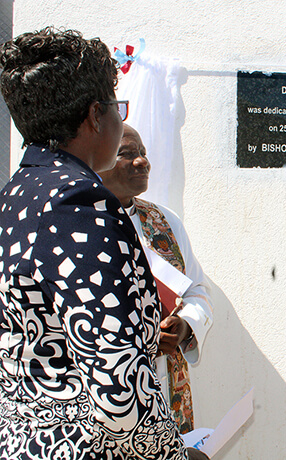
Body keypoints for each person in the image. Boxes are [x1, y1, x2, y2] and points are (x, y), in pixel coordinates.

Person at [0, 27, 206, 459]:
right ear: (97, 115)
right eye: (117, 107)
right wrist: (175, 455)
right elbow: (117, 385)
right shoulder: (80, 202)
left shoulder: (17, 194)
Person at [100, 124, 214, 435]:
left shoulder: (164, 222)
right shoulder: (82, 223)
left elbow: (197, 292)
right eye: (127, 154)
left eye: (143, 153)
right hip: (112, 394)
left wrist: (185, 325)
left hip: (165, 383)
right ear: (98, 161)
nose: (142, 162)